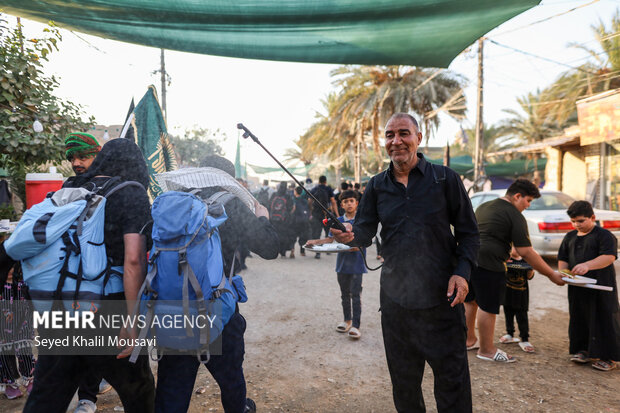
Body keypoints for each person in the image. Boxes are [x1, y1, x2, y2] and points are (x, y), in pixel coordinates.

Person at [331, 113, 479, 413]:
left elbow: (470, 233)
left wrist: (461, 274)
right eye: (389, 135)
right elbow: (365, 232)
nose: (396, 141)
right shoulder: (376, 186)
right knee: (405, 386)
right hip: (397, 304)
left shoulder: (445, 179)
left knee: (453, 385)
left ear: (418, 138)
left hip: (443, 301)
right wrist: (350, 236)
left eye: (403, 133)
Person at [23, 138, 156, 413]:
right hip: (107, 308)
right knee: (139, 393)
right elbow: (133, 260)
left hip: (63, 306)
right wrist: (132, 322)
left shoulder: (71, 188)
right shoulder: (131, 192)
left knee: (46, 398)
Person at [155, 155, 279, 413]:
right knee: (231, 379)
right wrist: (262, 217)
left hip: (173, 308)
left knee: (172, 389)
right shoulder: (230, 205)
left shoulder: (174, 205)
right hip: (216, 310)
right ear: (228, 180)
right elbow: (270, 248)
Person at [464, 179, 565, 363]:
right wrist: (551, 274)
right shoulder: (514, 215)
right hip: (490, 263)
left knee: (470, 301)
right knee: (488, 306)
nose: (528, 205)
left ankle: (469, 340)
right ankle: (487, 350)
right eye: (528, 201)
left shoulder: (485, 206)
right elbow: (526, 251)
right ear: (517, 196)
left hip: (469, 258)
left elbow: (486, 233)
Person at [64, 132, 114, 413]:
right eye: (72, 158)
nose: (77, 163)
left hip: (104, 273)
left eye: (83, 157)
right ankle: (88, 395)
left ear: (97, 156)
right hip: (73, 272)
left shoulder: (112, 187)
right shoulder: (69, 186)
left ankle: (88, 396)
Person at [558, 200, 620, 371]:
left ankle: (609, 357)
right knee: (579, 317)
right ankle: (583, 350)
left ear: (592, 217)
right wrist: (565, 274)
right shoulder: (569, 237)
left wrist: (587, 265)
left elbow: (609, 257)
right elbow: (563, 259)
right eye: (573, 221)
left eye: (581, 221)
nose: (577, 225)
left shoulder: (605, 236)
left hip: (602, 286)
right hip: (578, 288)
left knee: (605, 318)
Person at [306, 190, 366, 339]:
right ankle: (347, 321)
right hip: (342, 265)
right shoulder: (338, 220)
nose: (349, 204)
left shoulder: (361, 220)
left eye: (352, 200)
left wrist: (356, 246)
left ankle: (356, 326)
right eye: (346, 202)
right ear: (342, 205)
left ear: (357, 203)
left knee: (356, 295)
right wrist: (315, 241)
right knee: (344, 294)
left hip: (357, 264)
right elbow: (330, 239)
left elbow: (365, 241)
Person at [500, 248, 536, 353]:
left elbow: (530, 276)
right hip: (508, 294)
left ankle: (524, 339)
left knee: (522, 316)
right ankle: (510, 333)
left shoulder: (526, 260)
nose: (515, 249)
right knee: (508, 313)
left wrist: (531, 269)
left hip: (521, 295)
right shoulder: (506, 259)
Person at [308, 176, 338, 260]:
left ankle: (318, 253)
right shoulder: (328, 189)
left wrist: (311, 210)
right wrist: (336, 213)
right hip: (326, 214)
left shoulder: (314, 189)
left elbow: (309, 201)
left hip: (316, 214)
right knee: (327, 232)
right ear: (325, 181)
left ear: (319, 181)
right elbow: (333, 201)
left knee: (317, 233)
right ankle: (327, 249)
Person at [269, 182, 295, 258]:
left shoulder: (274, 194)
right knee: (284, 235)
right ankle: (283, 252)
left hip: (274, 219)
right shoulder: (287, 196)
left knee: (275, 234)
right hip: (284, 220)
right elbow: (290, 207)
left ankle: (275, 250)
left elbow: (269, 204)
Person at [291, 187, 311, 257]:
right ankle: (302, 251)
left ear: (295, 192)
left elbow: (293, 210)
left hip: (295, 220)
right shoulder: (305, 200)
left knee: (293, 236)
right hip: (304, 221)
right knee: (303, 236)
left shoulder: (293, 200)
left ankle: (292, 250)